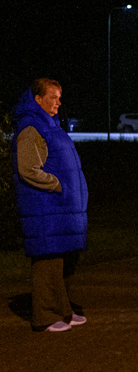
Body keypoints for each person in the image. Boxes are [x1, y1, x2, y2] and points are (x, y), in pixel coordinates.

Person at [12, 79, 88, 332]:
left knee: (64, 260)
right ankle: (45, 316)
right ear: (38, 99)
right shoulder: (31, 127)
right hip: (46, 207)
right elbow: (28, 169)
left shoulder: (51, 125)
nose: (58, 102)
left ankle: (63, 311)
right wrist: (58, 185)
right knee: (48, 261)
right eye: (53, 97)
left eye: (59, 97)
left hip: (61, 207)